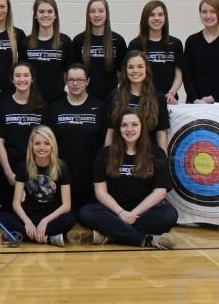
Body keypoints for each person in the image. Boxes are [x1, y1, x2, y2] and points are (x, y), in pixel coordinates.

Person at [79, 109, 177, 249]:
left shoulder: (157, 153)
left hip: (143, 212)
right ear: (118, 129)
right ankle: (143, 240)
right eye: (124, 125)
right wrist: (121, 213)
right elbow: (101, 192)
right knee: (87, 212)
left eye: (134, 124)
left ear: (142, 127)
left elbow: (160, 192)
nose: (129, 129)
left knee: (169, 215)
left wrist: (133, 214)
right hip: (113, 211)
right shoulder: (105, 154)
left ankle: (111, 234)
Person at [0, 126, 75, 246]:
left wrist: (45, 221)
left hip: (51, 218)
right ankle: (48, 238)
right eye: (37, 143)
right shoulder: (23, 166)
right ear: (31, 145)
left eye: (46, 143)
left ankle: (29, 236)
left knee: (69, 219)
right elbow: (16, 203)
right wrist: (27, 222)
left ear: (52, 145)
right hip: (30, 215)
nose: (42, 147)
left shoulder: (61, 166)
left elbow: (66, 205)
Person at [0, 62, 51, 211]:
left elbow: (46, 143)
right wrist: (8, 173)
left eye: (26, 75)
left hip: (35, 167)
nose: (22, 79)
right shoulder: (3, 106)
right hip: (10, 168)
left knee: (34, 211)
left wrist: (38, 173)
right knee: (10, 212)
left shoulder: (42, 107)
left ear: (32, 79)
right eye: (18, 75)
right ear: (12, 79)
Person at [50, 63, 107, 210]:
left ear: (87, 81)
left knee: (88, 216)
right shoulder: (55, 107)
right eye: (71, 80)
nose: (75, 84)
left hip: (91, 176)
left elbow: (105, 142)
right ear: (66, 81)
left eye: (80, 80)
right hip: (62, 176)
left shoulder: (100, 107)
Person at [106, 51, 170, 152]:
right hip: (120, 155)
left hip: (148, 155)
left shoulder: (159, 97)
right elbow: (111, 130)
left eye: (140, 66)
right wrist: (107, 157)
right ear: (125, 70)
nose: (135, 70)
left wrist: (164, 160)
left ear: (146, 69)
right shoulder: (114, 96)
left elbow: (161, 134)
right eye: (131, 67)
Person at [182, 0, 219, 104]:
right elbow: (186, 74)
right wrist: (195, 99)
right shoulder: (192, 41)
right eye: (204, 12)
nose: (208, 16)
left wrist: (213, 98)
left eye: (213, 12)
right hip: (195, 102)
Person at [72, 0, 126, 100]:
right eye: (92, 11)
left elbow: (123, 72)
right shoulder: (78, 40)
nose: (97, 15)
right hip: (84, 98)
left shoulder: (118, 40)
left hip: (111, 98)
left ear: (107, 14)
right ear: (88, 14)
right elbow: (72, 72)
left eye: (101, 11)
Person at [128, 0, 184, 102]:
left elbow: (178, 74)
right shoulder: (135, 44)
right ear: (146, 18)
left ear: (165, 17)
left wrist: (172, 92)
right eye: (152, 15)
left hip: (169, 101)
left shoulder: (175, 44)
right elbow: (131, 74)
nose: (156, 18)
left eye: (160, 15)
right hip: (143, 101)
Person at [25, 0, 73, 103]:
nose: (45, 15)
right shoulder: (26, 42)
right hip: (32, 101)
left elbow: (68, 73)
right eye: (41, 11)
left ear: (55, 15)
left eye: (50, 11)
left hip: (57, 100)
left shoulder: (65, 41)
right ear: (35, 16)